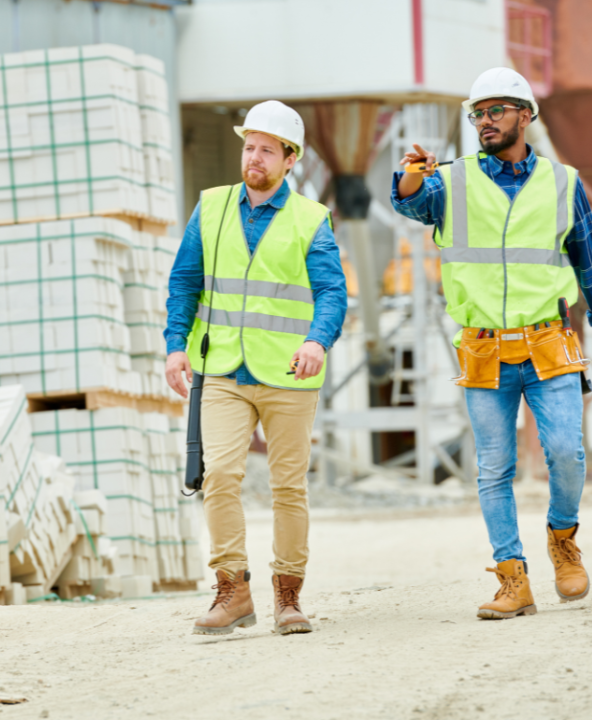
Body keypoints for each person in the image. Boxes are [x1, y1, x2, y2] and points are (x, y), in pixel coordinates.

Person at [392, 68, 592, 619]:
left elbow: (590, 260)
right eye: (478, 113)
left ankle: (562, 541)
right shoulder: (449, 182)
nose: (485, 121)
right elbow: (411, 203)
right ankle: (512, 578)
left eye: (496, 110)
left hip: (549, 341)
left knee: (567, 453)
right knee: (493, 468)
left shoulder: (563, 182)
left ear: (526, 115)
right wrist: (408, 178)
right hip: (483, 348)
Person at [164, 100, 347, 636]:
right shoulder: (213, 207)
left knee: (288, 487)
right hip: (221, 368)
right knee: (219, 475)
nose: (254, 157)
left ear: (290, 159)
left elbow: (332, 292)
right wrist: (177, 346)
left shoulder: (310, 219)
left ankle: (288, 597)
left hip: (289, 373)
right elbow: (184, 281)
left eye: (267, 150)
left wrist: (317, 340)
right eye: (249, 147)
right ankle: (232, 590)